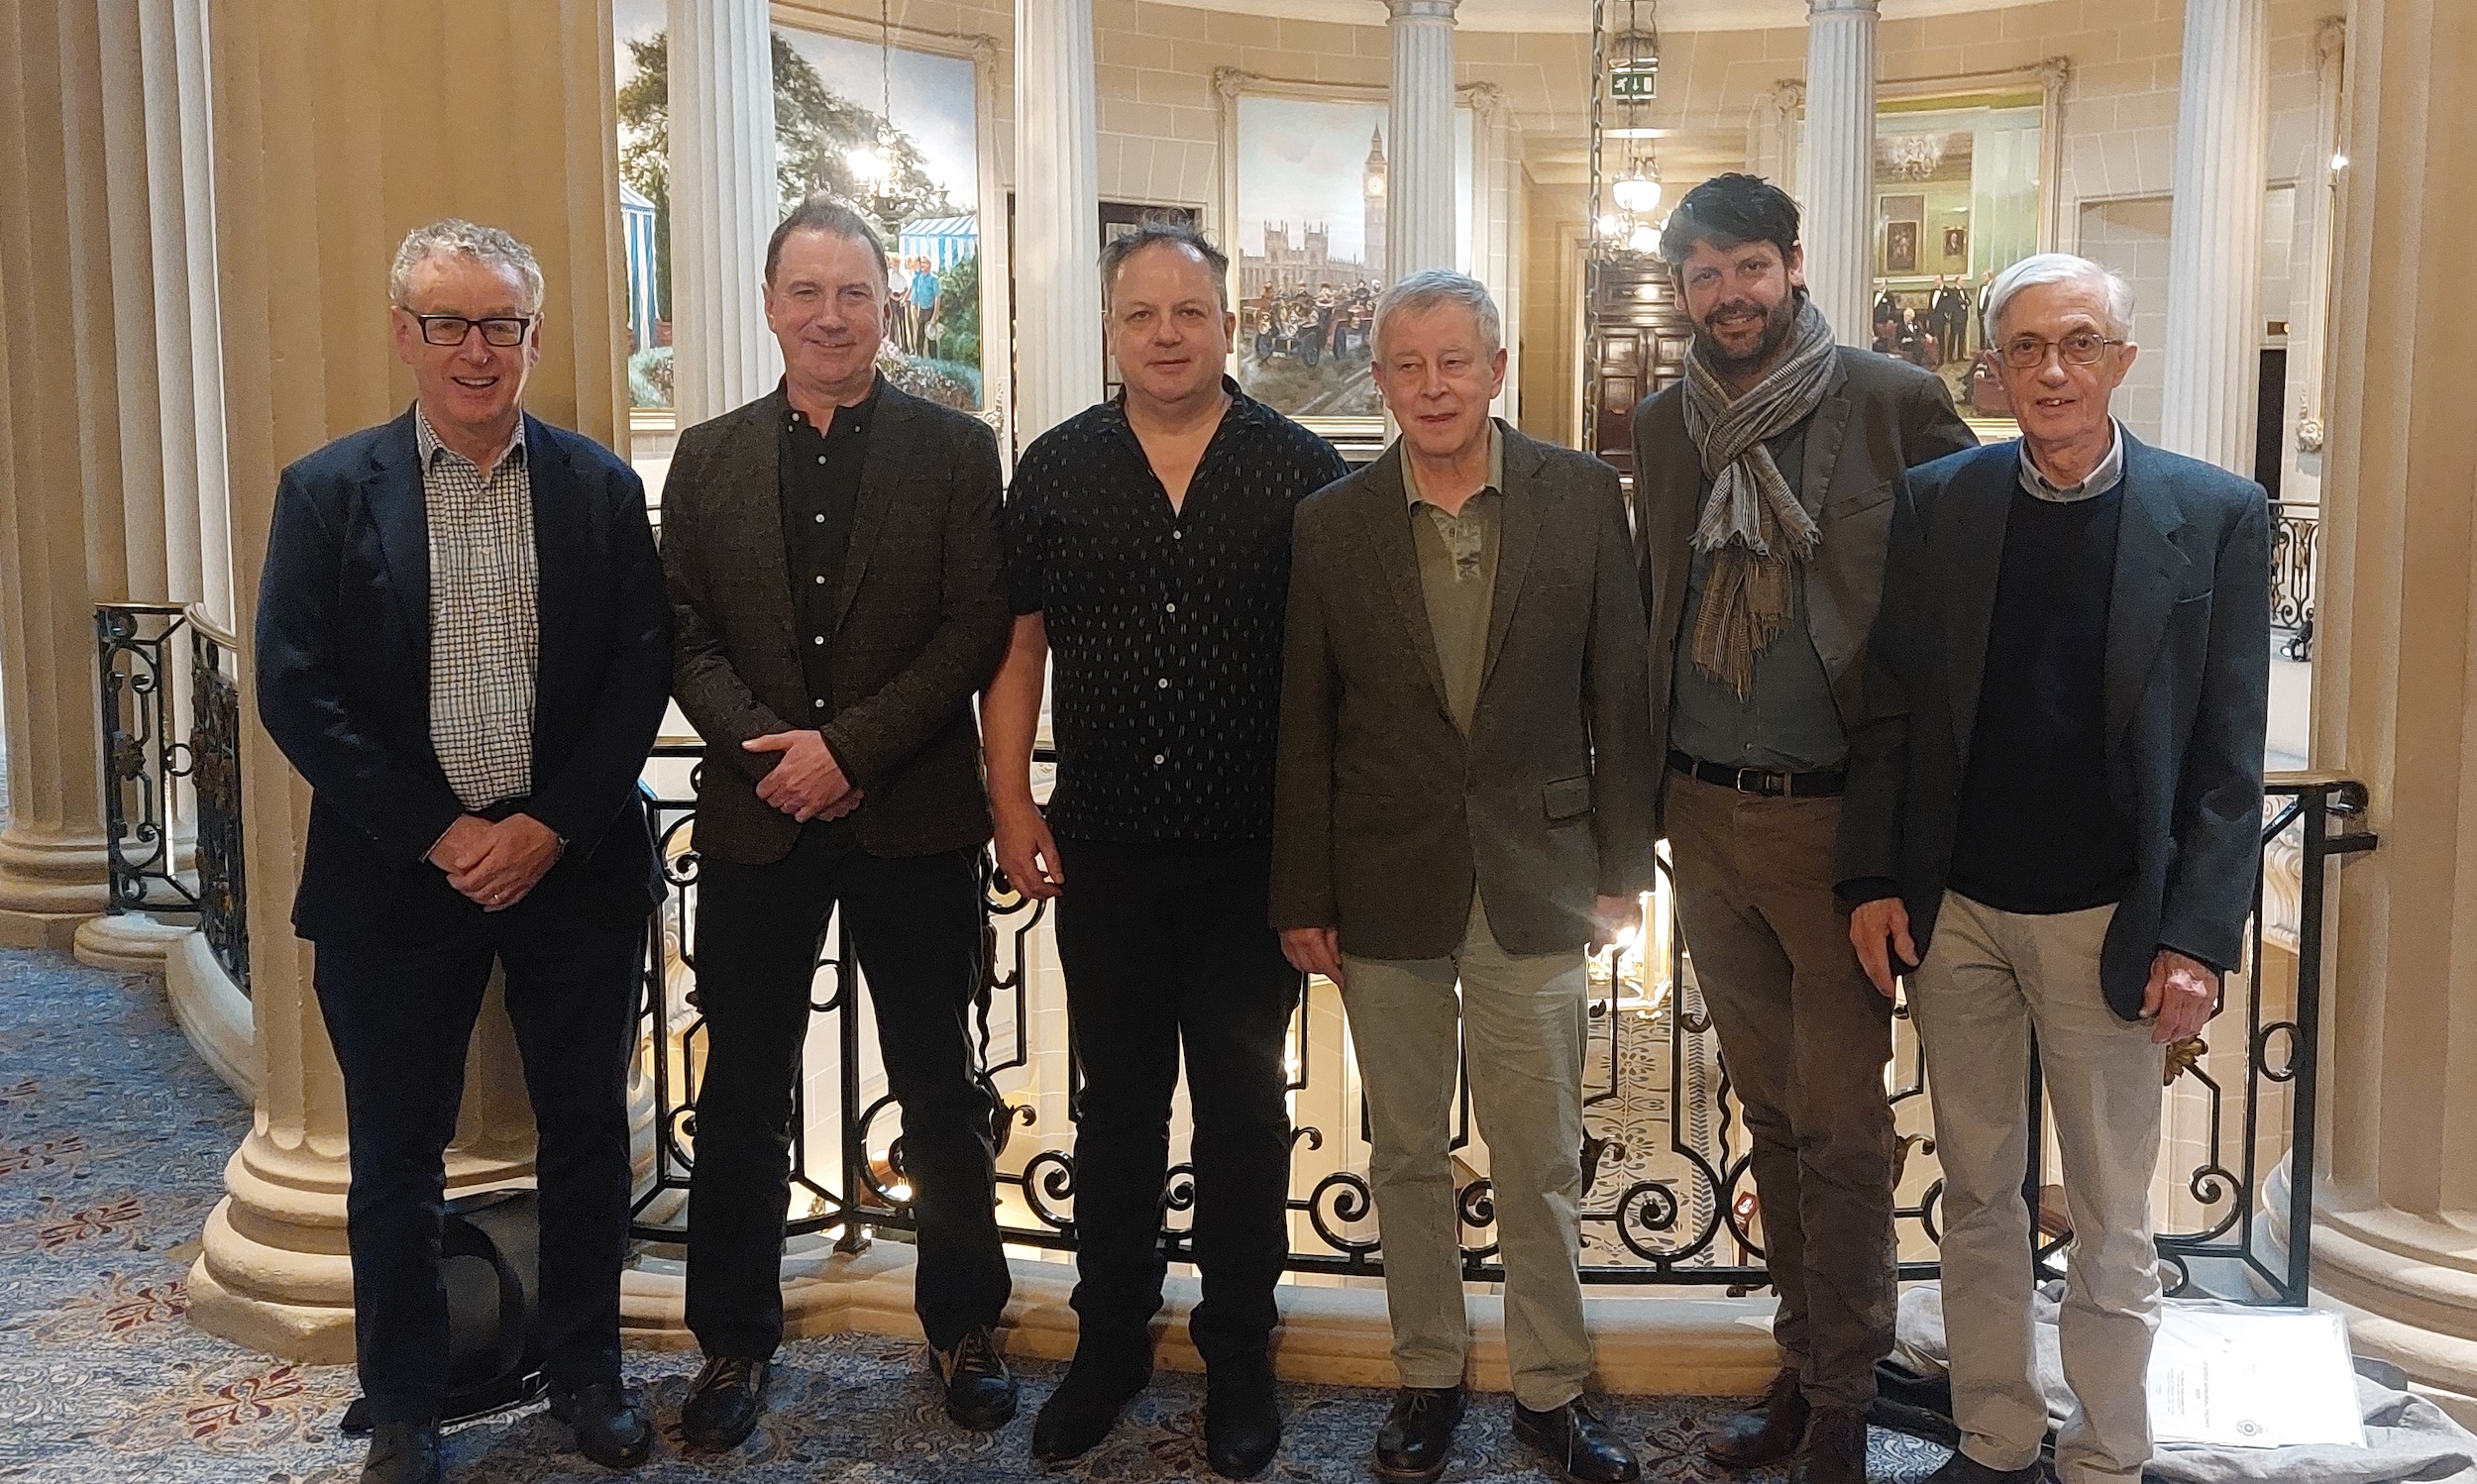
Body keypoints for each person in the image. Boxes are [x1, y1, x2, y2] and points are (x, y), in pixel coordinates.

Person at [1839, 253, 2270, 1484]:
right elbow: (1892, 709)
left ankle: (2105, 1453)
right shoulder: (1942, 501)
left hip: (2110, 921)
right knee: (1978, 1194)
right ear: (1994, 367)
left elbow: (2227, 757)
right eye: (2025, 347)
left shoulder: (2217, 512)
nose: (2052, 370)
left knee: (2110, 1213)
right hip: (1960, 912)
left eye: (2079, 343)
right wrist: (1871, 878)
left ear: (2121, 359)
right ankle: (1994, 1436)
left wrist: (2197, 937)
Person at [255, 219, 671, 1484]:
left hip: (571, 872)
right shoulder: (328, 491)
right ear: (406, 333)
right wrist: (443, 833)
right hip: (396, 879)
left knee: (586, 1131)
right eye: (450, 322)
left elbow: (638, 673)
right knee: (395, 1157)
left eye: (502, 324)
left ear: (534, 337)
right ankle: (404, 1404)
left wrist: (546, 827)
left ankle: (588, 1372)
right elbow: (295, 687)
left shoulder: (599, 489)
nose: (476, 350)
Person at [1272, 270, 1658, 1484]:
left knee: (1538, 1153)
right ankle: (1426, 1376)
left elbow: (1618, 692)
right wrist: (1302, 894)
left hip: (1538, 879)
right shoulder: (1330, 522)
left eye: (1454, 361)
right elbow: (1305, 721)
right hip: (1382, 882)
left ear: (1497, 367)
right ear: (1380, 380)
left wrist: (1620, 871)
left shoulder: (1582, 496)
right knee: (1403, 1153)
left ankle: (1551, 1391)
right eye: (1408, 365)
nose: (1432, 386)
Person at [988, 221, 1349, 1480]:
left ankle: (1239, 1351)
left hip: (1252, 856)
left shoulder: (1301, 467)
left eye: (1189, 312)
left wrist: (1322, 855)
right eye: (1140, 314)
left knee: (1245, 1112)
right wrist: (1009, 800)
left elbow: (1336, 674)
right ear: (1110, 330)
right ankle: (1109, 1346)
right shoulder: (1056, 466)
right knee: (1118, 1110)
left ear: (1227, 325)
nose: (1165, 335)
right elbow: (1017, 647)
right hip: (1106, 849)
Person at [1630, 172, 1976, 1484]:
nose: (1728, 295)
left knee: (1841, 1128)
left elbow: (1964, 600)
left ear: (1792, 264)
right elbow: (1655, 601)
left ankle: (1845, 1395)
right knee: (1769, 1120)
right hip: (1702, 817)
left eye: (1748, 267)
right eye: (1704, 274)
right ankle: (1801, 1359)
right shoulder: (1664, 424)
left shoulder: (1892, 402)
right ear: (1682, 290)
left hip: (1838, 829)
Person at [660, 195, 1016, 1450]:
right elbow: (683, 634)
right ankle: (732, 1341)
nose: (829, 315)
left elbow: (973, 626)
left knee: (941, 1087)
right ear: (770, 305)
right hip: (759, 819)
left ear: (886, 307)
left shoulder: (956, 451)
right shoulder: (704, 457)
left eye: (853, 292)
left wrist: (849, 750)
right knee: (742, 1093)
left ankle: (965, 1323)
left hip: (911, 814)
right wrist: (778, 755)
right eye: (806, 292)